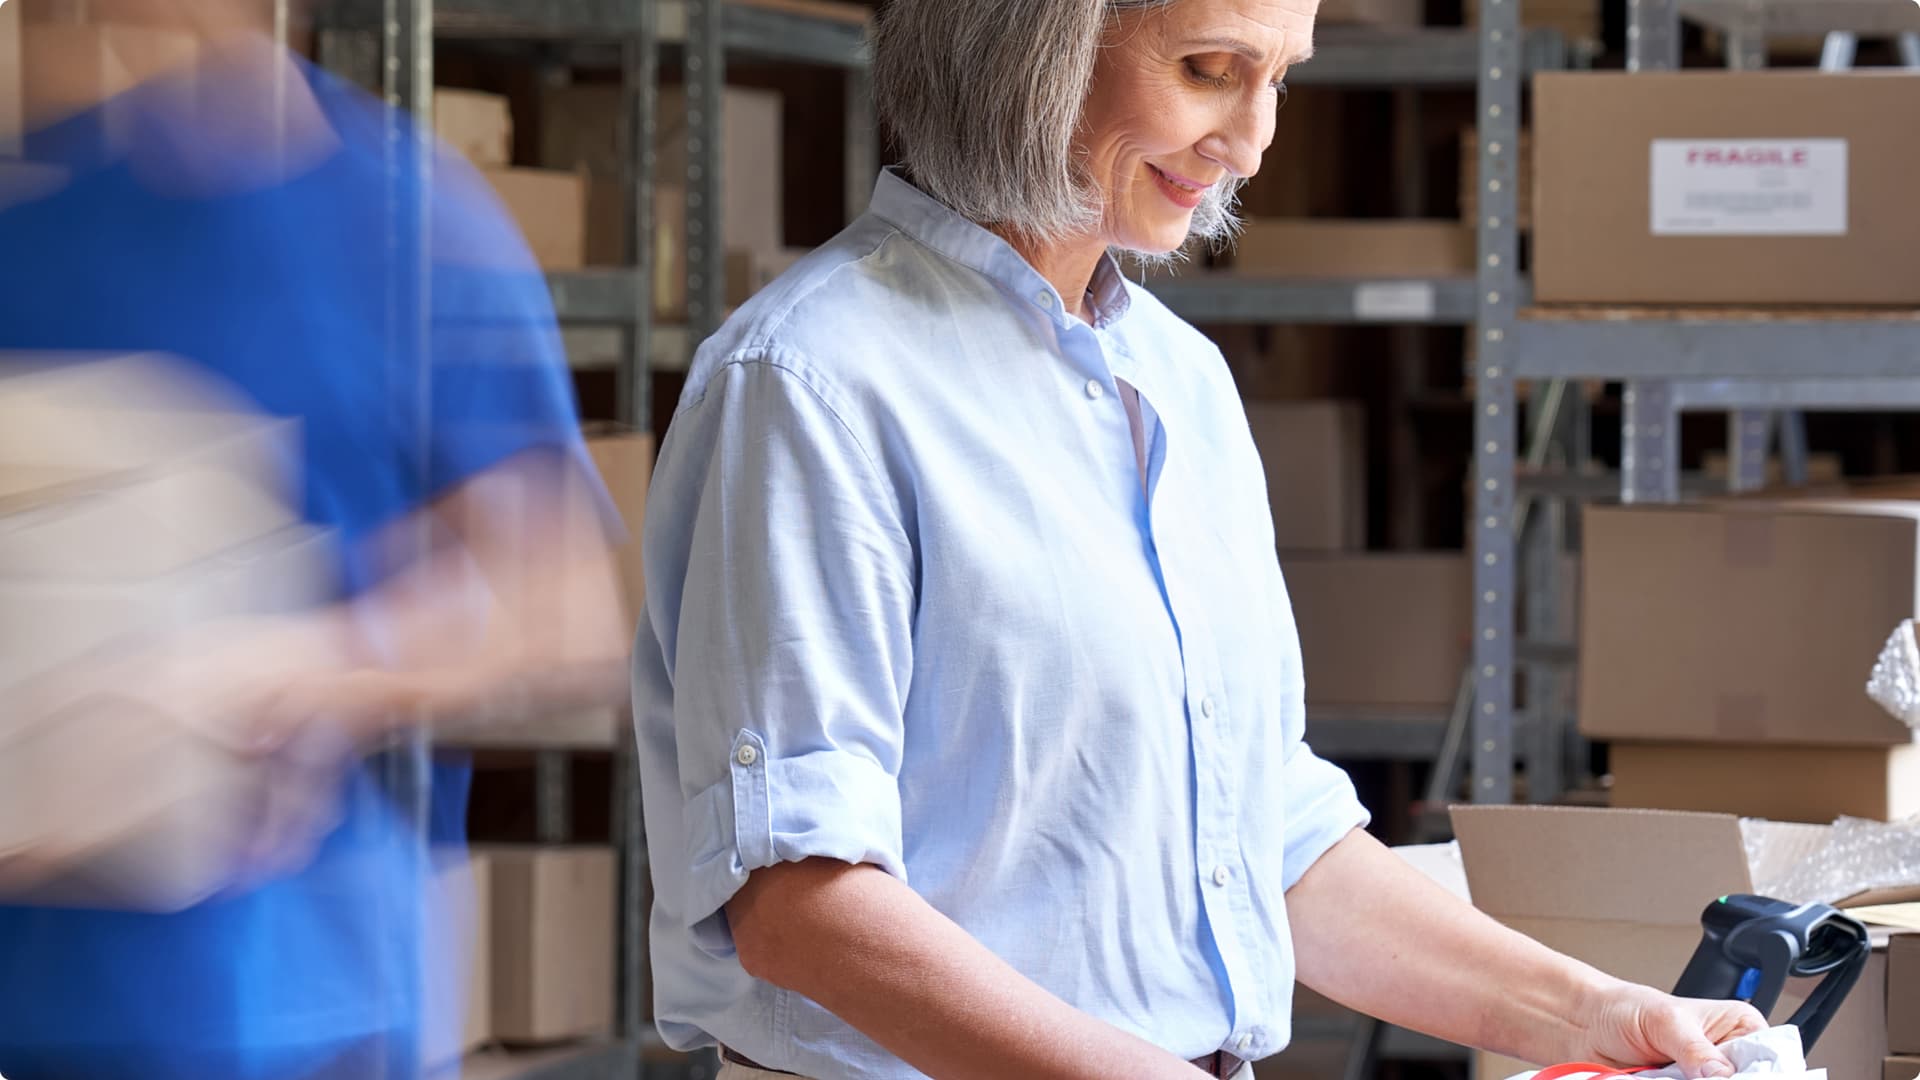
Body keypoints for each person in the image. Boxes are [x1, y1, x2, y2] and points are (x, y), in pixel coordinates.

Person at [633, 1, 1769, 1078]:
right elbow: (799, 904)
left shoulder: (1179, 380)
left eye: (1280, 81)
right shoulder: (813, 385)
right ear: (1033, 47)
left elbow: (1269, 841)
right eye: (1210, 70)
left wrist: (1598, 1013)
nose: (1253, 144)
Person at [0, 3, 628, 1077]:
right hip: (37, 995)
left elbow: (564, 601)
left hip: (293, 1002)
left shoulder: (398, 217)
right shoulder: (30, 213)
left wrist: (313, 669)